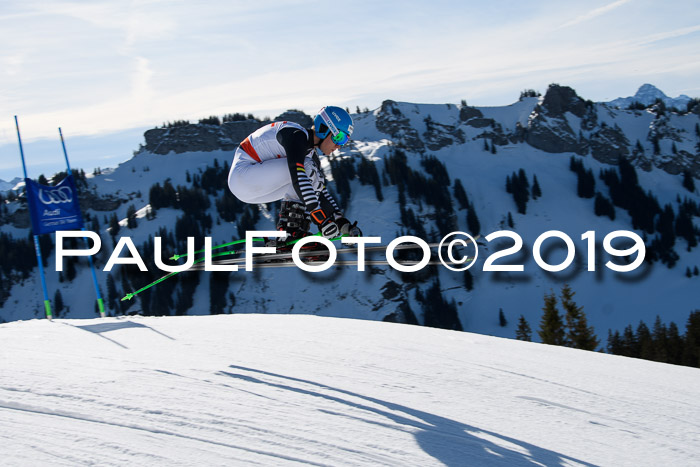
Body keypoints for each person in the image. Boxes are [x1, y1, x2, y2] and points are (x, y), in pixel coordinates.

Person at [227, 106, 362, 249]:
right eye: (339, 138)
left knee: (315, 178)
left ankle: (292, 233)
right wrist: (321, 220)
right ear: (324, 129)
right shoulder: (296, 135)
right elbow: (298, 176)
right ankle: (291, 233)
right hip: (243, 176)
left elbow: (320, 193)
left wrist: (342, 223)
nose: (339, 146)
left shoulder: (310, 154)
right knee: (307, 169)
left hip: (255, 187)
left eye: (344, 140)